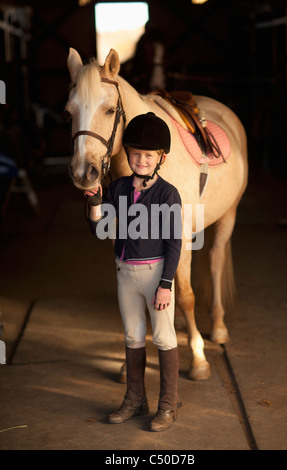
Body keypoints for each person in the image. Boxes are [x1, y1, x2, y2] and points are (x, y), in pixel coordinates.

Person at [85, 112, 182, 432]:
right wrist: (97, 202)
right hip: (125, 273)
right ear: (127, 154)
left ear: (161, 158)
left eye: (148, 155)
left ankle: (167, 405)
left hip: (156, 275)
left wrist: (166, 284)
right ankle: (135, 399)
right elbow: (98, 228)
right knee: (133, 336)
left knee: (165, 337)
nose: (141, 160)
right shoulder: (120, 188)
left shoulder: (168, 194)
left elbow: (174, 243)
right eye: (136, 154)